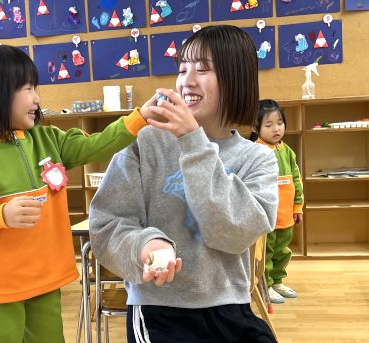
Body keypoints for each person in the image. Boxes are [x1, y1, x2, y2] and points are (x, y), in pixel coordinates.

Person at [0, 44, 156, 343]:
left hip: (45, 282)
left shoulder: (48, 138)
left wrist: (139, 117)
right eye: (27, 89)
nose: (37, 99)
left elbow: (97, 145)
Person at [89, 25, 279, 342]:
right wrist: (145, 244)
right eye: (182, 68)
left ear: (236, 80)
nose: (186, 80)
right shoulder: (144, 142)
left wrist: (193, 143)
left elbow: (231, 235)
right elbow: (106, 223)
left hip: (229, 306)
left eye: (203, 69)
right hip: (158, 309)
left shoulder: (257, 159)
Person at [250, 99, 304, 304]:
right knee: (265, 253)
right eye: (269, 124)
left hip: (286, 215)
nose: (276, 129)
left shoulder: (287, 151)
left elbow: (296, 180)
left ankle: (277, 281)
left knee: (282, 251)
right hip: (266, 217)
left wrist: (297, 207)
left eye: (279, 123)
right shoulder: (255, 150)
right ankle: (266, 283)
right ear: (257, 127)